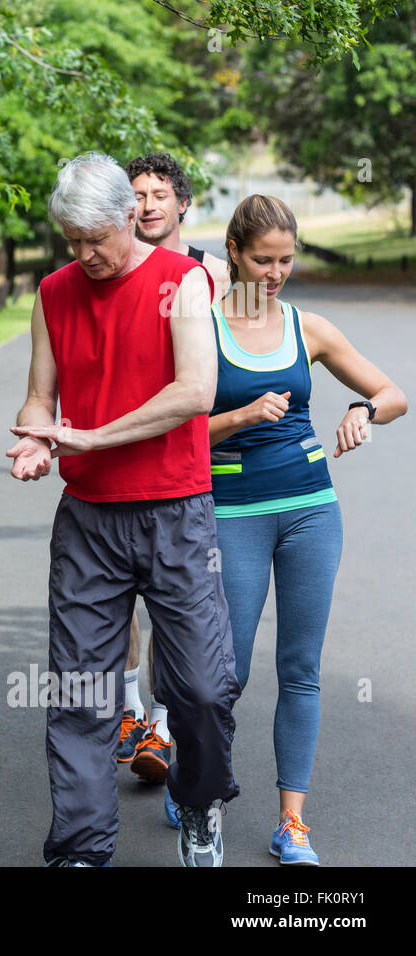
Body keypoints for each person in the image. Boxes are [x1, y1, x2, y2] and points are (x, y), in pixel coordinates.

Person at [7, 151, 240, 867]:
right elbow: (40, 396)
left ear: (130, 216)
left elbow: (195, 392)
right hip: (89, 521)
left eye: (95, 239)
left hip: (177, 511)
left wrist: (90, 436)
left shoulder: (183, 282)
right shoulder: (54, 292)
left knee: (203, 686)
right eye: (72, 242)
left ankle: (199, 803)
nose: (85, 256)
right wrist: (35, 438)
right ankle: (79, 849)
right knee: (79, 693)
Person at [209, 195, 406, 864]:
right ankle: (197, 780)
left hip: (311, 509)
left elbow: (393, 394)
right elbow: (173, 429)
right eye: (263, 260)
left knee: (300, 667)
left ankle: (292, 823)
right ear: (234, 252)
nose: (274, 273)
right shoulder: (199, 331)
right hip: (231, 512)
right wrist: (239, 419)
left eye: (286, 260)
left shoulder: (308, 327)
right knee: (223, 673)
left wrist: (361, 408)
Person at [118, 153, 229, 790]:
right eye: (139, 194)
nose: (151, 204)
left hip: (200, 459)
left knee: (176, 607)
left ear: (182, 202)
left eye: (162, 193)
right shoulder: (112, 270)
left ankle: (161, 720)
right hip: (124, 453)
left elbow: (255, 337)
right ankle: (133, 716)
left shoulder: (215, 275)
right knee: (121, 599)